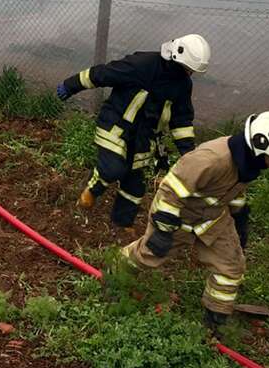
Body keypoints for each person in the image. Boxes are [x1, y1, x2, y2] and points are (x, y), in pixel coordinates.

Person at [122, 111, 269, 335]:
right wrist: (163, 230)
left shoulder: (247, 163)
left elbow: (231, 191)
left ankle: (214, 322)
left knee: (231, 266)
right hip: (179, 215)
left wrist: (239, 217)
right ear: (259, 144)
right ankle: (115, 271)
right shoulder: (211, 159)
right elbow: (171, 191)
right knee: (150, 255)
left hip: (213, 218)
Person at [56, 35, 211, 230]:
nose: (189, 74)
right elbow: (103, 73)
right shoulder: (142, 65)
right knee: (113, 168)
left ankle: (120, 227)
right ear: (175, 58)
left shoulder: (183, 85)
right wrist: (70, 85)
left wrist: (188, 153)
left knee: (135, 188)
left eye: (192, 71)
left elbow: (181, 121)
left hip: (144, 140)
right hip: (116, 126)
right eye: (187, 69)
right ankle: (92, 190)